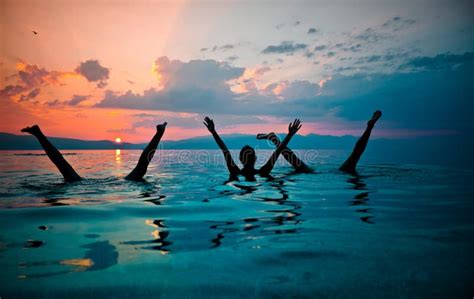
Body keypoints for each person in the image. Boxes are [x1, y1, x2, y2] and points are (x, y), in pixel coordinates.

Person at [20, 122, 167, 182]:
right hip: (123, 184)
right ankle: (159, 134)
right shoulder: (131, 182)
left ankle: (38, 134)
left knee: (64, 167)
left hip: (88, 185)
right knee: (142, 166)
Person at [257, 111, 382, 174]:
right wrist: (287, 135)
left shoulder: (260, 171)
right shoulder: (262, 170)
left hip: (313, 173)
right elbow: (279, 152)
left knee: (354, 157)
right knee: (354, 156)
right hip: (319, 173)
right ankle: (369, 128)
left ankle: (369, 128)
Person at [203, 117, 301, 181]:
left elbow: (225, 150)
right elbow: (279, 150)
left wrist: (213, 132)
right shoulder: (263, 172)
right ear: (255, 158)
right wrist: (290, 135)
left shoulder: (235, 172)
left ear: (241, 159)